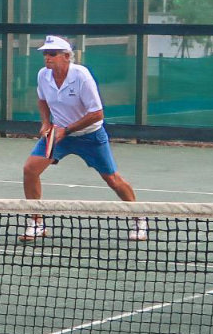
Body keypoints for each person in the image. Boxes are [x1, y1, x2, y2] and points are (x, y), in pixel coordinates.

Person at [21, 36, 144, 242]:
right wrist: (45, 123)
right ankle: (36, 222)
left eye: (52, 54)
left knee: (112, 179)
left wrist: (66, 130)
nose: (47, 58)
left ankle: (139, 219)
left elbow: (97, 114)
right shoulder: (43, 75)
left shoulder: (82, 76)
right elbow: (42, 99)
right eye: (45, 54)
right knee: (30, 169)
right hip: (58, 135)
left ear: (67, 56)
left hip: (90, 136)